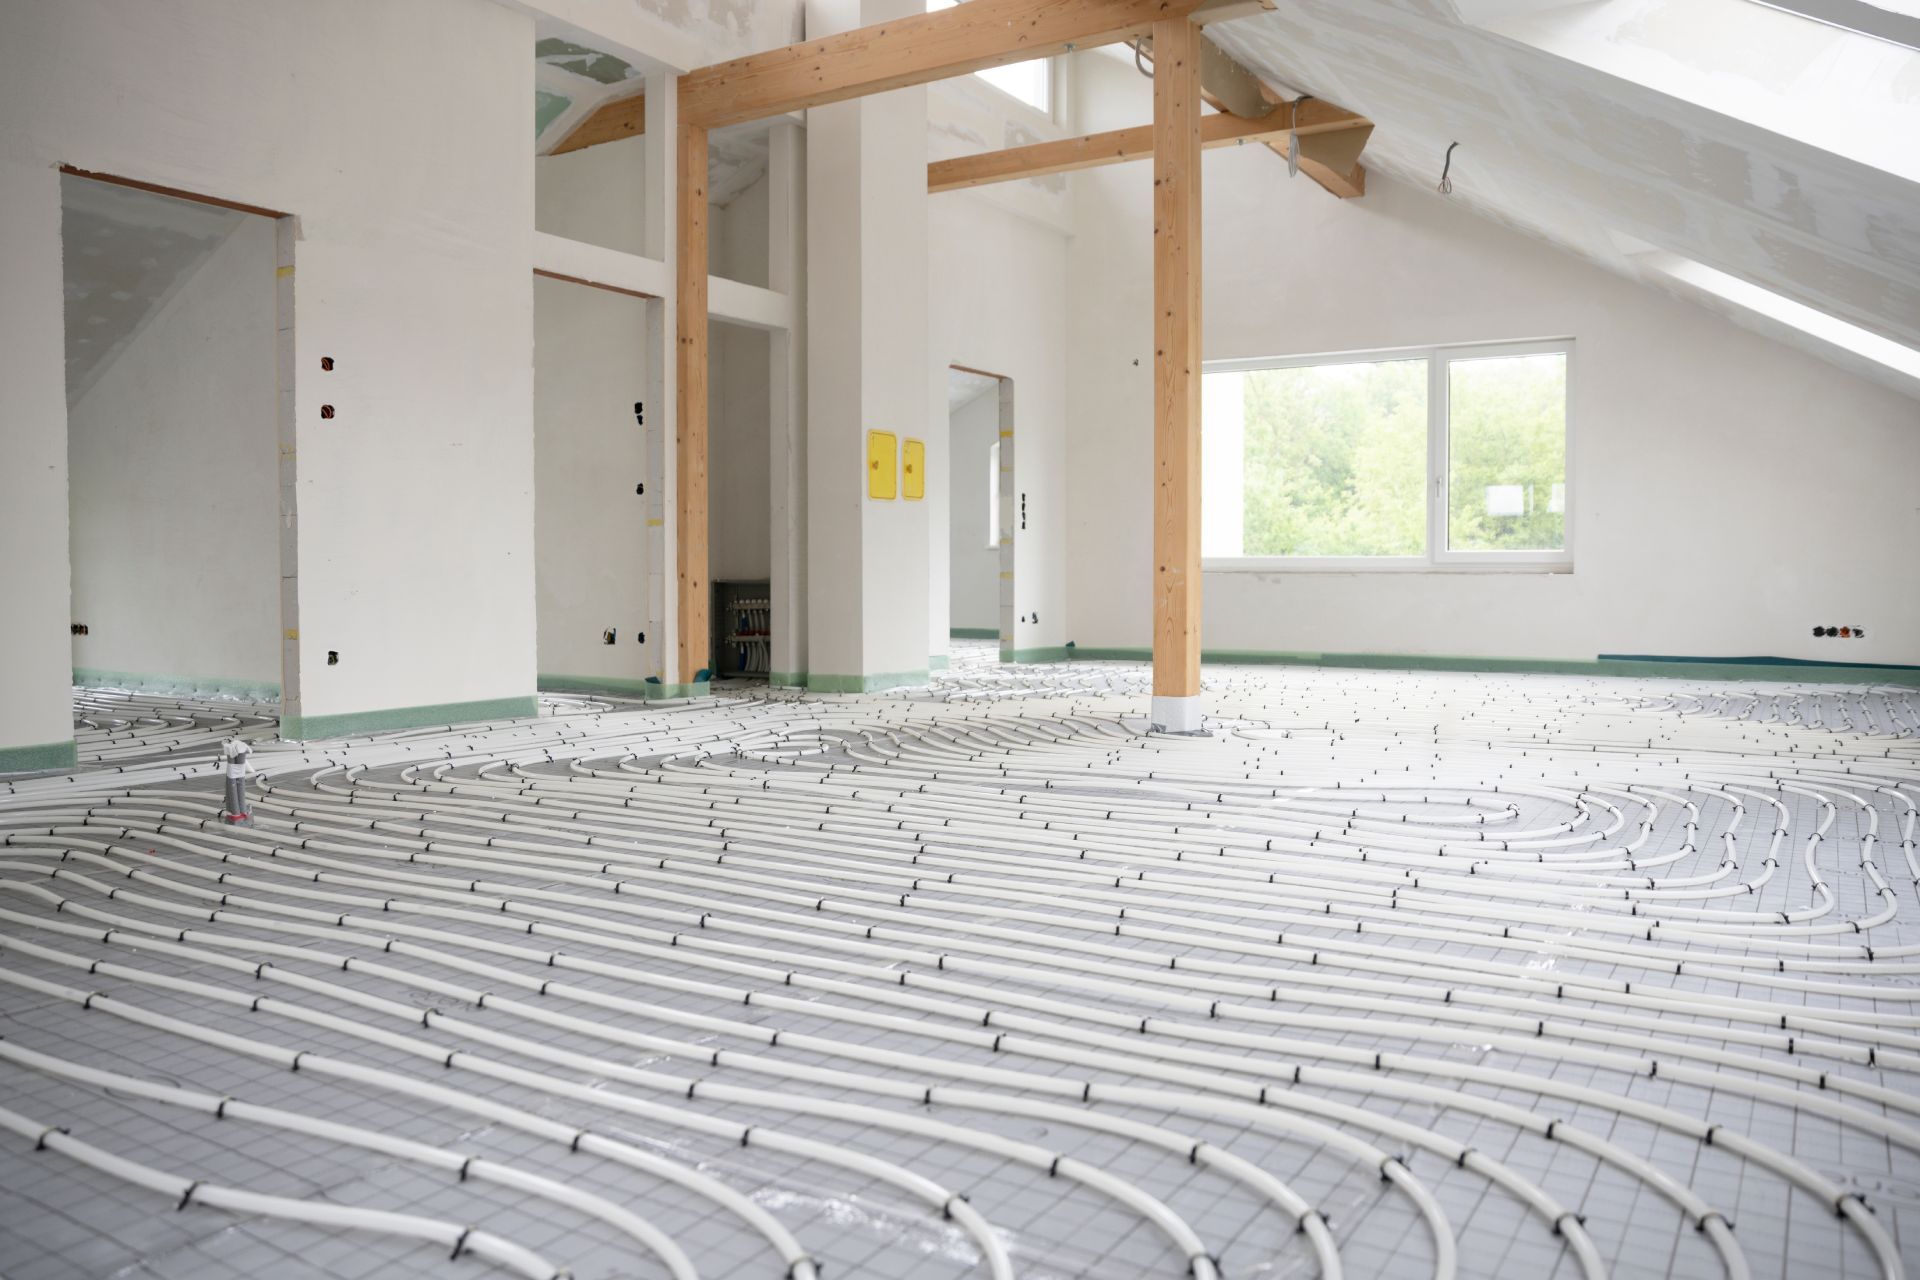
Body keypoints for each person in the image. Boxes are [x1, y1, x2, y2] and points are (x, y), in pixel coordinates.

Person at [218, 737, 254, 825]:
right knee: (235, 786)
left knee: (234, 786)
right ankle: (238, 813)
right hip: (236, 774)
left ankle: (238, 813)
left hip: (236, 774)